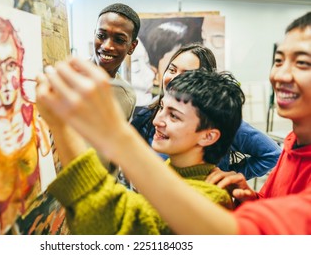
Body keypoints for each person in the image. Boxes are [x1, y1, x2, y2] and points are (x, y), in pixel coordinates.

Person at [37, 12, 311, 234]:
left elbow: (115, 219)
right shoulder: (293, 146)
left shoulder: (210, 192)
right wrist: (255, 200)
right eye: (278, 60)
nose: (282, 74)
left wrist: (107, 134)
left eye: (302, 63)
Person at [37, 65, 244, 234]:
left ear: (208, 136)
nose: (157, 120)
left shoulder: (211, 200)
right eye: (162, 108)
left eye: (174, 116)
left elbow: (110, 225)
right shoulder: (170, 170)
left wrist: (60, 124)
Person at [132, 43, 281, 180]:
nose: (175, 79)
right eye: (172, 69)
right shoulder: (146, 117)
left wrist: (231, 175)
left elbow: (272, 154)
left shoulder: (219, 120)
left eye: (187, 75)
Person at [0, 16, 55, 234]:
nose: (5, 78)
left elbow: (51, 186)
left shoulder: (37, 118)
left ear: (21, 65)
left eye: (11, 65)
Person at [91, 3, 140, 121]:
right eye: (101, 35)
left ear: (132, 46)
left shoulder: (127, 96)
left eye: (119, 40)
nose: (107, 46)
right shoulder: (68, 79)